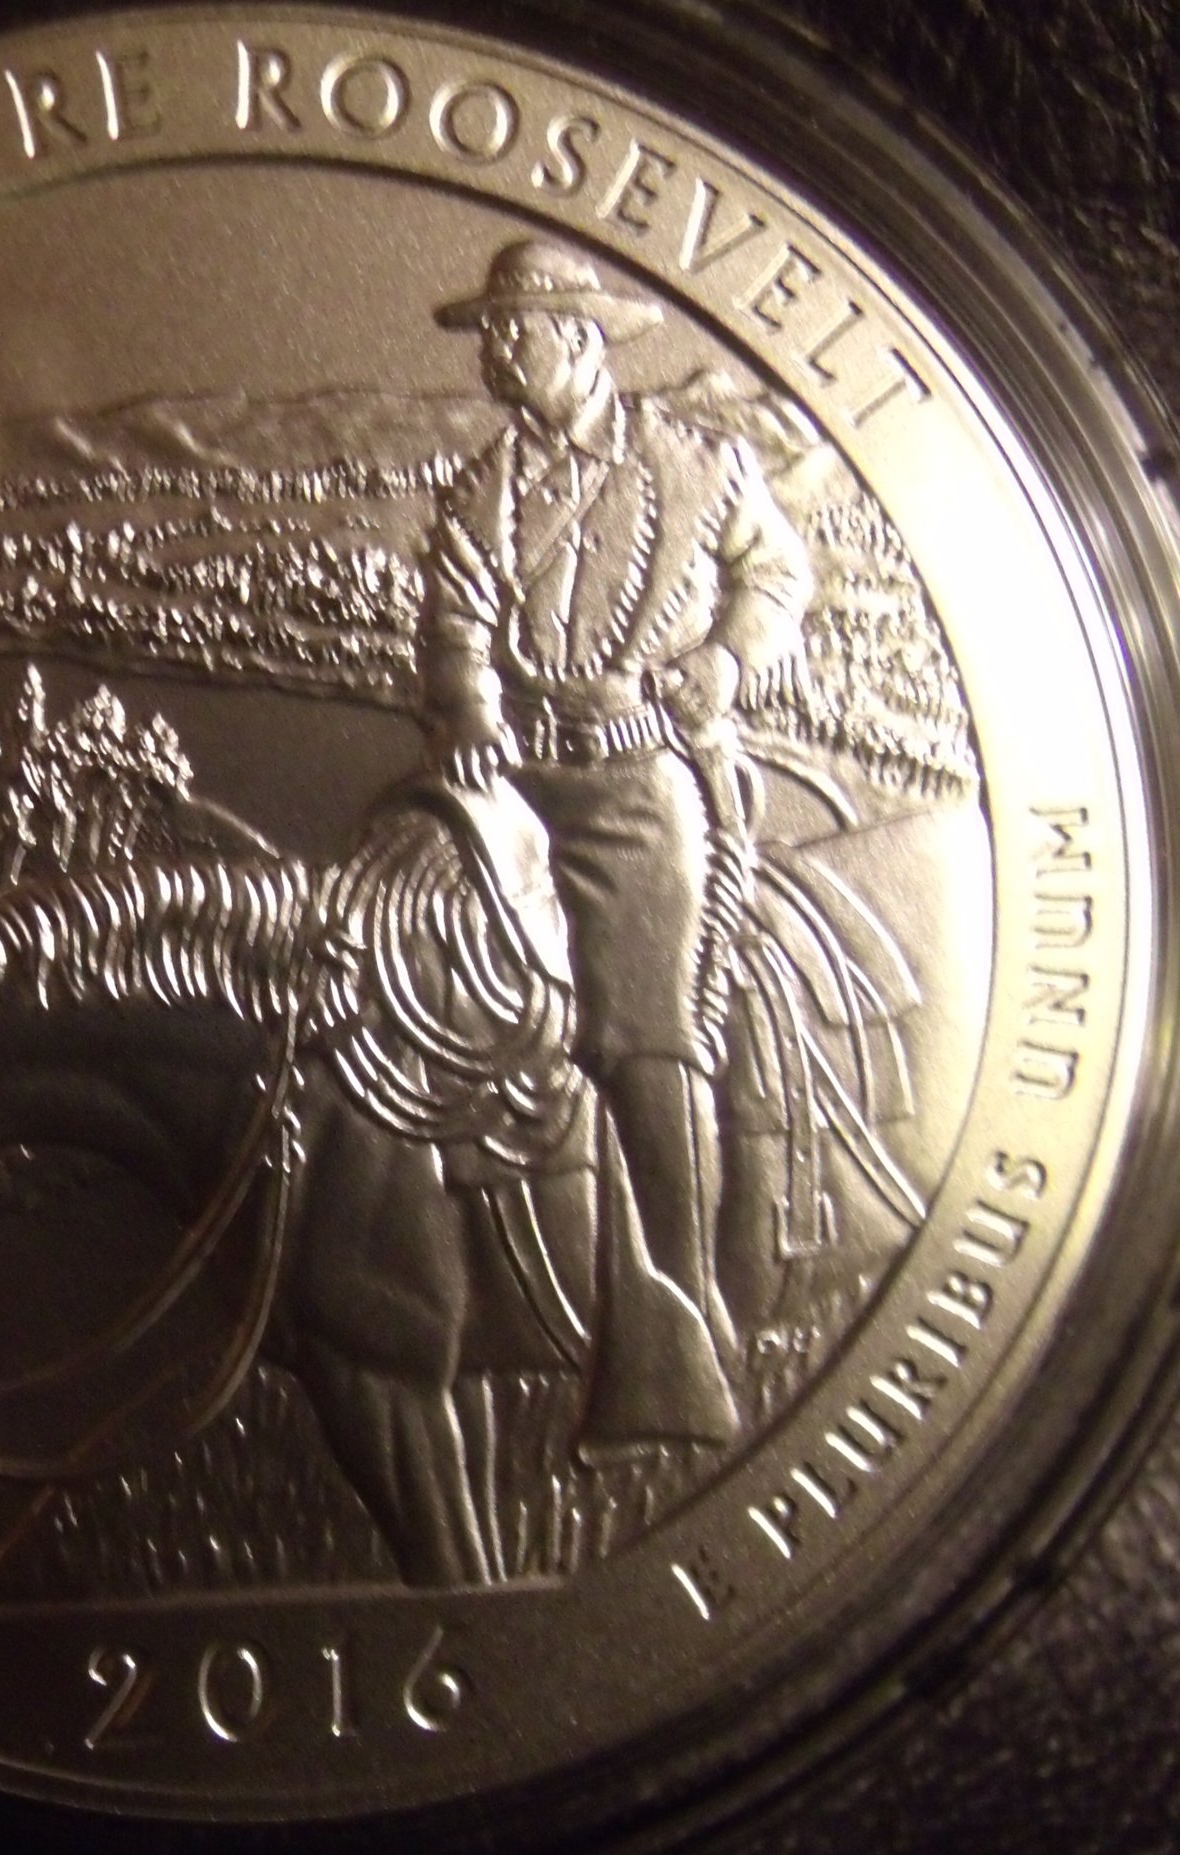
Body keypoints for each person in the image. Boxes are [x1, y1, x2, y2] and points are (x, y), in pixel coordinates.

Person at [420, 236, 813, 1450]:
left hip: (643, 784)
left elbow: (776, 577)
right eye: (490, 334)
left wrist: (725, 661)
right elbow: (456, 620)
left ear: (580, 340)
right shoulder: (481, 488)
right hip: (514, 787)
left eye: (514, 331)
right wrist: (468, 708)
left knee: (646, 1047)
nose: (494, 351)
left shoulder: (701, 464)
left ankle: (680, 1345)